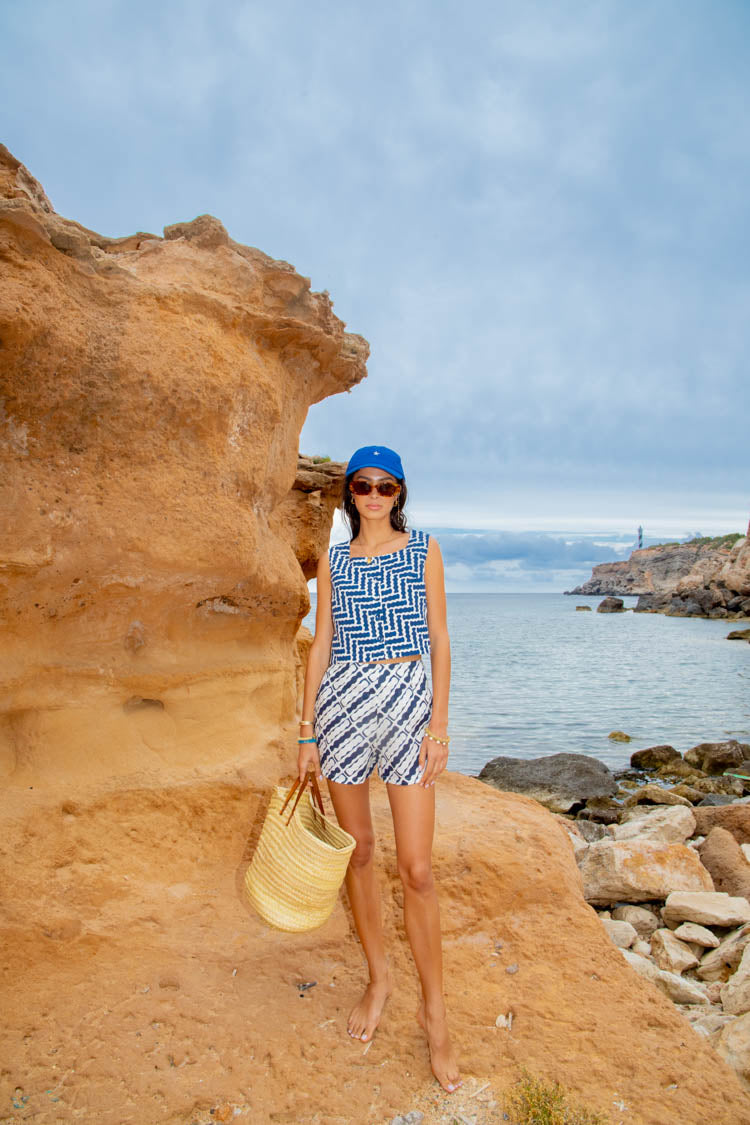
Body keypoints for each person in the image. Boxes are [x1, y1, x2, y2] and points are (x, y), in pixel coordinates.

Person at [297, 444, 462, 1095]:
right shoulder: (334, 560)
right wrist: (306, 730)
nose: (372, 496)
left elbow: (440, 638)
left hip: (407, 699)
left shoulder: (423, 549)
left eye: (384, 486)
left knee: (417, 868)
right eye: (362, 485)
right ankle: (379, 978)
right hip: (342, 701)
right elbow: (321, 644)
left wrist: (438, 724)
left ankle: (435, 1012)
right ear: (350, 493)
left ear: (399, 492)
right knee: (359, 851)